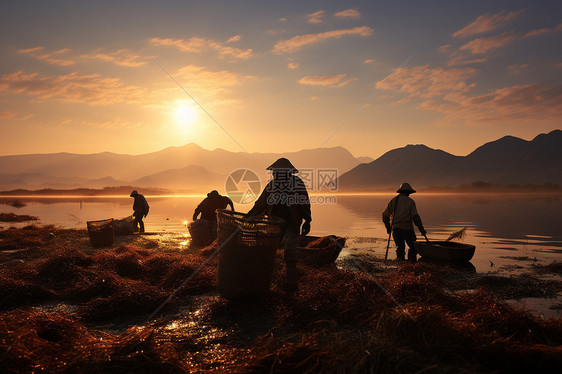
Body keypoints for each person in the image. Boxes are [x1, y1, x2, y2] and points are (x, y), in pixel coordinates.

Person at [246, 158, 312, 291]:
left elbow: (304, 203)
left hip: (292, 222)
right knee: (268, 251)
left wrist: (307, 221)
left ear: (287, 173)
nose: (275, 174)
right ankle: (267, 280)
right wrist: (249, 216)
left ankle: (291, 282)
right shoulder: (271, 185)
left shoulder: (297, 184)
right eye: (274, 172)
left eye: (277, 172)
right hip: (273, 223)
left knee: (290, 249)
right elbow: (260, 204)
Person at [382, 183, 426, 262]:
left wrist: (388, 227)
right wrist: (421, 228)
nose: (409, 194)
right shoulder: (410, 202)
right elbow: (415, 216)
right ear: (407, 192)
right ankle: (411, 264)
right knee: (413, 247)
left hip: (396, 229)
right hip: (407, 228)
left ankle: (400, 263)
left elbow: (385, 215)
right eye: (409, 193)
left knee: (400, 248)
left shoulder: (394, 200)